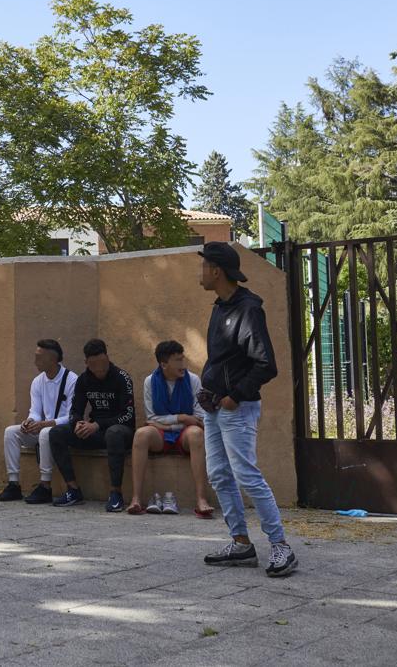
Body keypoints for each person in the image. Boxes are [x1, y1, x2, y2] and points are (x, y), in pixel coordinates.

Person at [197, 241, 296, 577]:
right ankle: (241, 543)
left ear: (216, 271)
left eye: (204, 266)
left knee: (247, 476)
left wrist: (234, 396)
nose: (200, 272)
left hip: (236, 409)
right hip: (214, 408)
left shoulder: (248, 309)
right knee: (220, 475)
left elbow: (265, 364)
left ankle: (281, 546)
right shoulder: (219, 307)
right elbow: (221, 361)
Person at [47, 339, 136, 512]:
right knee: (57, 432)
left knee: (114, 433)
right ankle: (73, 489)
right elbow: (75, 411)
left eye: (103, 364)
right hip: (94, 431)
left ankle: (116, 493)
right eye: (94, 366)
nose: (100, 370)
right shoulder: (84, 380)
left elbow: (128, 415)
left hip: (121, 431)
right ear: (87, 363)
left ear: (108, 358)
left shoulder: (122, 377)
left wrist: (96, 425)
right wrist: (78, 424)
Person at [126, 340, 213, 517]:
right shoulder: (150, 381)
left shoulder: (194, 380)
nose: (183, 365)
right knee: (141, 434)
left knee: (197, 434)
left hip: (185, 435)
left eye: (183, 359)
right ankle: (136, 499)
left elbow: (198, 418)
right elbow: (151, 418)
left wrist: (170, 423)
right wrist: (181, 418)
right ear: (163, 364)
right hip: (161, 435)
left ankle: (201, 500)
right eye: (178, 360)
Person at [0, 339, 77, 503]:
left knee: (46, 433)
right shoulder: (38, 381)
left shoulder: (71, 380)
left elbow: (71, 416)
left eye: (39, 357)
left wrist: (45, 424)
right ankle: (13, 484)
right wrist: (30, 421)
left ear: (52, 359)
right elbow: (35, 411)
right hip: (44, 429)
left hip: (61, 432)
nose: (35, 361)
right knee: (11, 432)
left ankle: (45, 486)